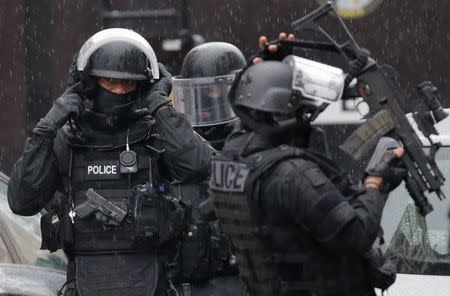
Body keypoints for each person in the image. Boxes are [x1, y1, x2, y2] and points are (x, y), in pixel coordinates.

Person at [7, 28, 213, 296]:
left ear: (142, 85)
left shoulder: (154, 134)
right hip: (85, 282)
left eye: (128, 84)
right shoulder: (68, 139)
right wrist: (47, 127)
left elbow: (198, 165)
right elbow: (21, 201)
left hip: (152, 283)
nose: (118, 90)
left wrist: (161, 107)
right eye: (109, 82)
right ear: (89, 84)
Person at [208, 51, 407, 295]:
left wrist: (261, 73)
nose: (308, 116)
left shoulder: (230, 163)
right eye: (302, 111)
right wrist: (375, 183)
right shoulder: (292, 175)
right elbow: (356, 235)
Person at [170, 42, 247, 295]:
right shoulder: (177, 149)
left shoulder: (252, 143)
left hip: (243, 279)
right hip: (192, 280)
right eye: (200, 93)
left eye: (216, 91)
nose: (207, 100)